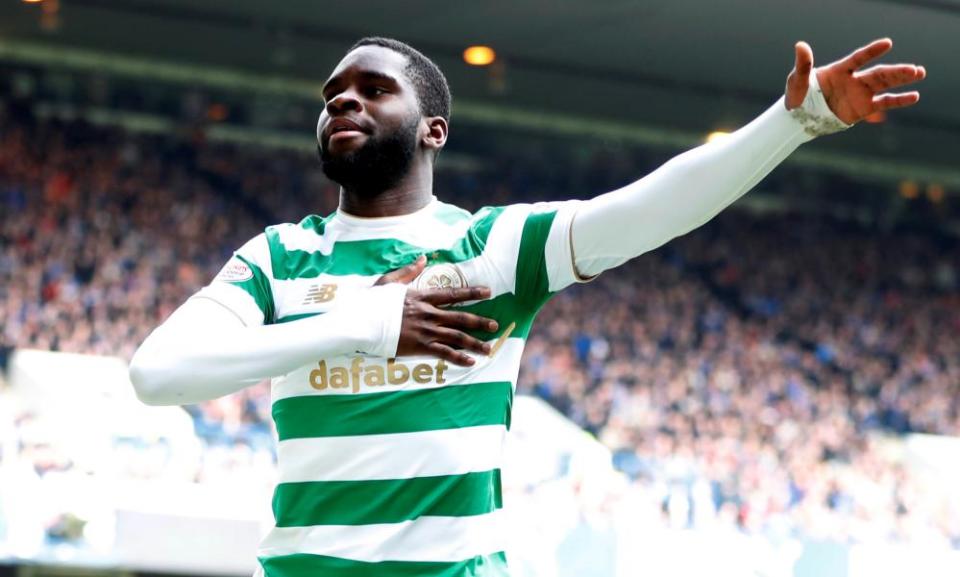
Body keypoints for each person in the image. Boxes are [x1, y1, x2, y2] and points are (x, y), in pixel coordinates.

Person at [129, 36, 925, 577]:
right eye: (333, 93)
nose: (344, 102)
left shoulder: (489, 248)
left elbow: (654, 207)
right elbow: (158, 373)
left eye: (376, 90)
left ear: (433, 128)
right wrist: (372, 323)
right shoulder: (278, 255)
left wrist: (793, 121)